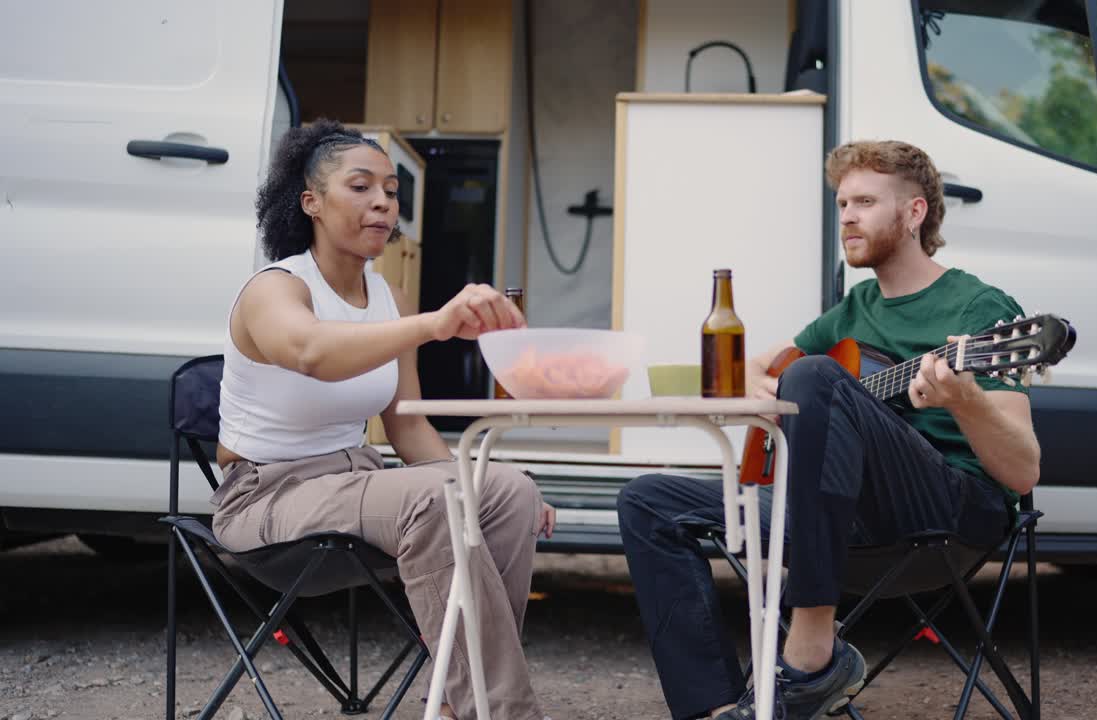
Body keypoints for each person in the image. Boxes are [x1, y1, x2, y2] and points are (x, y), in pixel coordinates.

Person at [617, 140, 1042, 720]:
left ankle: (813, 650)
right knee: (648, 501)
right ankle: (714, 710)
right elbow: (772, 365)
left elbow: (1022, 472)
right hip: (837, 516)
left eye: (865, 201)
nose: (846, 216)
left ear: (915, 213)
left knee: (816, 377)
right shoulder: (855, 307)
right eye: (842, 203)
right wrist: (762, 384)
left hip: (949, 512)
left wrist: (964, 400)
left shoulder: (978, 308)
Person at [210, 119, 554, 720]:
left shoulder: (387, 299)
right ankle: (502, 714)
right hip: (266, 499)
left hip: (354, 484)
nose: (381, 203)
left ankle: (455, 705)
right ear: (311, 202)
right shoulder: (276, 289)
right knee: (441, 499)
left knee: (509, 492)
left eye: (391, 191)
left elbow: (409, 428)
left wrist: (483, 484)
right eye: (361, 187)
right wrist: (434, 324)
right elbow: (312, 353)